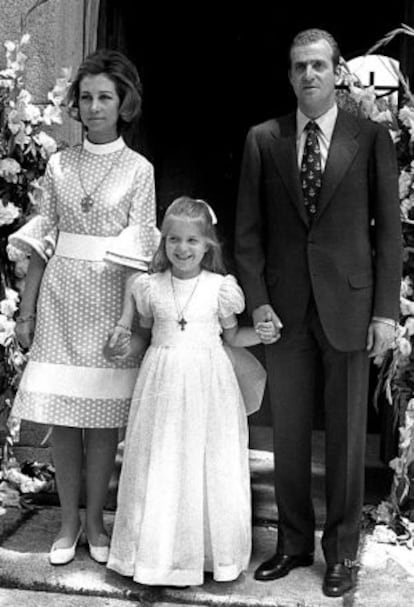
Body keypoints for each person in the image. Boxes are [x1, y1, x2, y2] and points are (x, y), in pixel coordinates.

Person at [234, 28, 402, 598]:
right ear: (289, 75)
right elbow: (248, 234)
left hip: (352, 308)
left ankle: (343, 552)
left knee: (349, 438)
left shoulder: (370, 137)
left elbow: (388, 235)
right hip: (283, 311)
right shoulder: (265, 139)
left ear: (337, 74)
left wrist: (385, 313)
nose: (309, 75)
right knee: (289, 433)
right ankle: (293, 542)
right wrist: (257, 299)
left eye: (319, 66)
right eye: (299, 66)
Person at [7, 49, 159, 566]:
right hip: (59, 300)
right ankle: (68, 520)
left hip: (112, 301)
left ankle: (96, 520)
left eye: (105, 98)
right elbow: (42, 242)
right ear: (77, 104)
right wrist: (25, 313)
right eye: (87, 97)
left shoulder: (140, 169)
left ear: (124, 104)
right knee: (64, 418)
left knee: (102, 422)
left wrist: (128, 321)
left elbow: (140, 248)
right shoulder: (58, 164)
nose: (95, 107)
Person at [106, 196, 275, 586]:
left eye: (192, 241)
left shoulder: (220, 288)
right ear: (163, 242)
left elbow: (233, 335)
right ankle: (156, 554)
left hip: (208, 381)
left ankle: (209, 553)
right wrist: (121, 347)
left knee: (206, 461)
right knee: (162, 458)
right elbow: (144, 334)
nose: (182, 249)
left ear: (208, 245)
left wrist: (265, 334)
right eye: (173, 240)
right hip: (162, 379)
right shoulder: (149, 287)